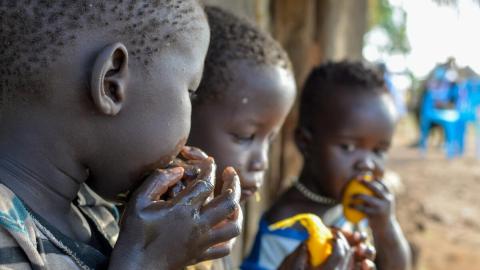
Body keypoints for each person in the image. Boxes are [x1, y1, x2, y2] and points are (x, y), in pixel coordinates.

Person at [0, 1, 242, 269]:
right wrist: (149, 262)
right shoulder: (7, 234)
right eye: (190, 92)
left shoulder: (95, 212)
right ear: (112, 85)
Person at [188, 8, 373, 270]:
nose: (261, 161)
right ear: (184, 114)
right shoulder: (159, 235)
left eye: (270, 140)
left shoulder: (209, 224)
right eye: (245, 137)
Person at [243, 61, 412, 270]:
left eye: (378, 151)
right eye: (349, 147)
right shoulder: (284, 225)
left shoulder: (356, 206)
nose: (367, 164)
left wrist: (386, 228)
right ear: (306, 143)